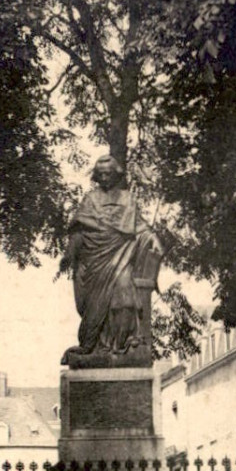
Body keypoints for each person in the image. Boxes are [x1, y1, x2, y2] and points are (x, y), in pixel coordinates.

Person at [61, 155, 164, 363]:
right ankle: (96, 345)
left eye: (109, 173)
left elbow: (140, 225)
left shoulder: (127, 198)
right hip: (94, 260)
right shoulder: (90, 199)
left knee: (125, 294)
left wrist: (153, 238)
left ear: (116, 174)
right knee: (94, 304)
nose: (105, 177)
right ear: (97, 176)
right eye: (101, 174)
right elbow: (78, 229)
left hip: (122, 254)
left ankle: (121, 345)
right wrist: (69, 253)